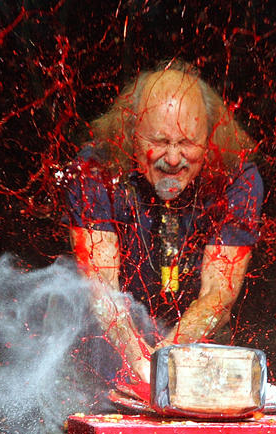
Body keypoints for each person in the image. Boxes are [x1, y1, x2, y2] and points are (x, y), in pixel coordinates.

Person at [65, 59, 263, 385]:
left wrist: (165, 358)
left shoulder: (236, 178)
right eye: (159, 142)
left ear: (211, 137)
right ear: (130, 134)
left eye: (187, 143)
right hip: (92, 353)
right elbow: (99, 290)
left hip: (191, 353)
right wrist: (141, 364)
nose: (173, 159)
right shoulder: (94, 171)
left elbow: (219, 294)